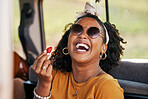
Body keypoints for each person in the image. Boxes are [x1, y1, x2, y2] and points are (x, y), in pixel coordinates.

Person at [32, 2, 126, 99]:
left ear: (103, 48)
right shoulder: (53, 75)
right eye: (77, 30)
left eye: (93, 32)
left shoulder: (107, 87)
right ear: (67, 43)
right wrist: (43, 84)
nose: (82, 35)